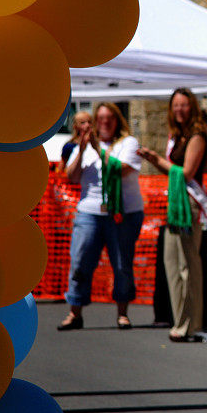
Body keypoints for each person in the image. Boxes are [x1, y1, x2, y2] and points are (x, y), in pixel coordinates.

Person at [58, 102, 144, 331]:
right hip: (89, 212)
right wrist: (84, 146)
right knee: (80, 261)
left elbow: (122, 168)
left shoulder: (128, 143)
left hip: (122, 213)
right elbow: (72, 176)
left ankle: (122, 314)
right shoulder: (84, 145)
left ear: (117, 120)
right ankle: (75, 311)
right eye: (101, 118)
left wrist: (97, 149)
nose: (105, 122)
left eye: (110, 117)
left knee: (121, 263)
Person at [139, 88, 207, 343]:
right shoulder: (178, 136)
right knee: (172, 264)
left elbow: (187, 172)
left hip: (188, 206)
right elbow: (173, 171)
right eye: (175, 105)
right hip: (175, 205)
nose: (179, 109)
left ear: (192, 107)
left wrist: (158, 158)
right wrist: (153, 159)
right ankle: (179, 321)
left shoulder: (197, 136)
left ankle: (191, 324)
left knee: (188, 266)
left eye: (183, 105)